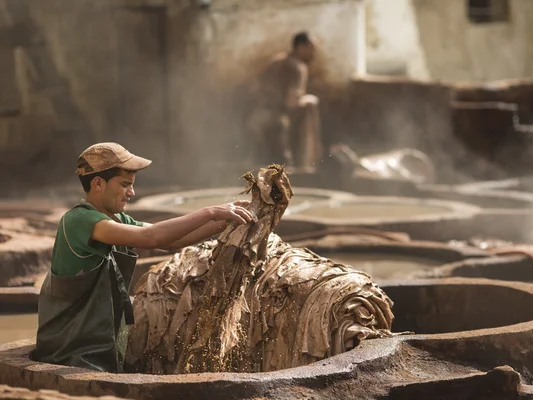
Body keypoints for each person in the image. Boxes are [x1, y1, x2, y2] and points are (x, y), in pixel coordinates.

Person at [30, 142, 254, 373]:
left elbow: (170, 240)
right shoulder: (78, 220)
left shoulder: (119, 220)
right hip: (69, 353)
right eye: (125, 185)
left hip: (100, 346)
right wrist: (210, 211)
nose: (132, 193)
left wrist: (228, 221)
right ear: (98, 183)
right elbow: (152, 237)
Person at [247, 31, 323, 171]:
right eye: (312, 49)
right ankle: (306, 164)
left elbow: (254, 89)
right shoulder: (296, 67)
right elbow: (291, 102)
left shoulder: (276, 60)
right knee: (311, 105)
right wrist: (309, 100)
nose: (314, 53)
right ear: (300, 47)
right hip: (276, 122)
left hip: (256, 117)